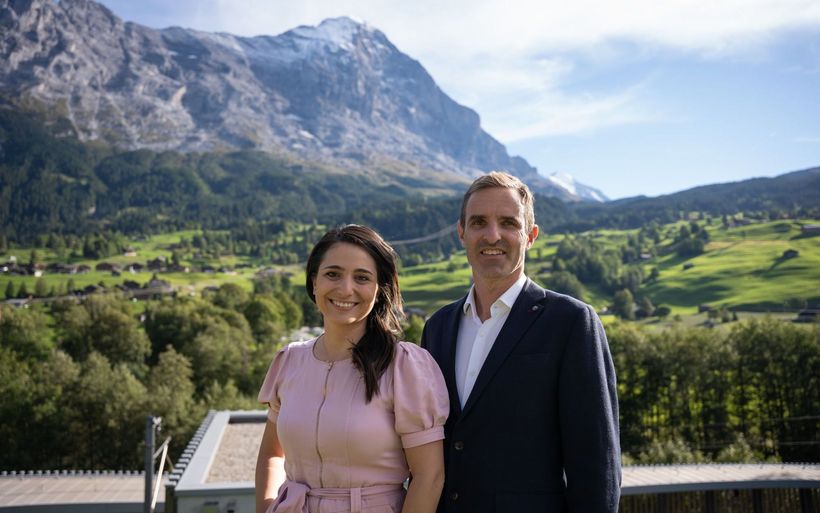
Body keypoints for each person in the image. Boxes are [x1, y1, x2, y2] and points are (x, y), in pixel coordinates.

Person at [421, 171, 621, 513]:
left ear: (530, 235)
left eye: (508, 223)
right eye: (479, 222)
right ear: (462, 233)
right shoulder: (437, 327)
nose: (492, 235)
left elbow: (596, 463)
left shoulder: (571, 322)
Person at [256, 224, 449, 513]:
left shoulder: (404, 367)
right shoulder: (289, 361)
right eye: (332, 274)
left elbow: (429, 476)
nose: (346, 289)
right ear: (314, 282)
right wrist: (268, 507)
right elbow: (271, 455)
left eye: (362, 277)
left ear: (378, 288)